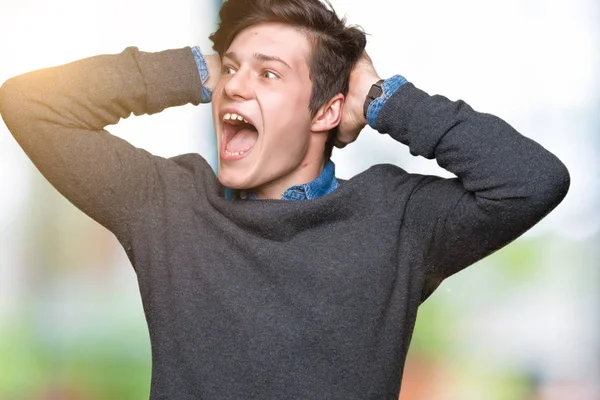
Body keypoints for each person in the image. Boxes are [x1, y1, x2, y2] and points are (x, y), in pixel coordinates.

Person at [0, 0, 570, 398]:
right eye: (231, 70)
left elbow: (532, 179)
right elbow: (31, 103)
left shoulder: (397, 219)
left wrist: (379, 98)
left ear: (326, 111)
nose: (237, 85)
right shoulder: (167, 204)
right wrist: (197, 68)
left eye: (269, 75)